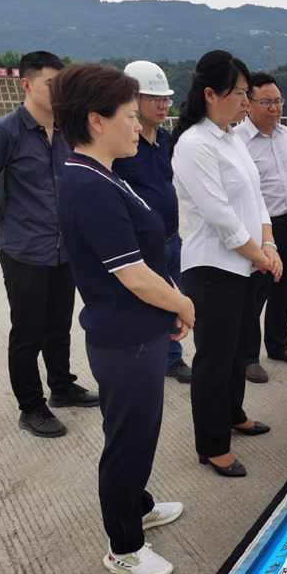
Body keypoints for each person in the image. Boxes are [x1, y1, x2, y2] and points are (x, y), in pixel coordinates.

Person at [53, 62, 193, 574]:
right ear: (96, 120)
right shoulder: (87, 184)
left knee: (137, 434)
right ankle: (124, 547)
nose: (139, 125)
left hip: (141, 330)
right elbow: (132, 274)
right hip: (124, 338)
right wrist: (184, 304)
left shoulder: (105, 173)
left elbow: (145, 257)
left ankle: (139, 505)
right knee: (128, 443)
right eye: (130, 115)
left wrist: (169, 302)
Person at [0, 51, 97, 439]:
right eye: (50, 84)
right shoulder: (4, 132)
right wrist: (6, 225)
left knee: (59, 326)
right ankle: (31, 407)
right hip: (24, 250)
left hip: (64, 247)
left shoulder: (68, 131)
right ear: (26, 84)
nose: (59, 92)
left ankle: (62, 387)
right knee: (27, 334)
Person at [170, 50, 280, 478]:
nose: (245, 101)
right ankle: (213, 445)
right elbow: (220, 215)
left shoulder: (232, 137)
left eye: (246, 93)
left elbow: (256, 198)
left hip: (247, 263)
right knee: (215, 359)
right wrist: (260, 254)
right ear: (210, 94)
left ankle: (234, 414)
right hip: (213, 269)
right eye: (238, 93)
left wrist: (268, 243)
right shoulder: (194, 143)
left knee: (236, 351)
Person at [113, 60, 192, 384]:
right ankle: (144, 360)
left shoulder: (164, 138)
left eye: (166, 99)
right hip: (141, 244)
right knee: (146, 304)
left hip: (171, 238)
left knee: (174, 299)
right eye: (154, 99)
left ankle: (172, 359)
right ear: (133, 99)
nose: (163, 105)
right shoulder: (121, 144)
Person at [236, 72, 287, 384]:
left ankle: (278, 345)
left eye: (278, 100)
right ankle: (248, 357)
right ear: (248, 103)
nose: (274, 107)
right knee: (255, 295)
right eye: (266, 101)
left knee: (285, 290)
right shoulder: (237, 141)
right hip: (259, 232)